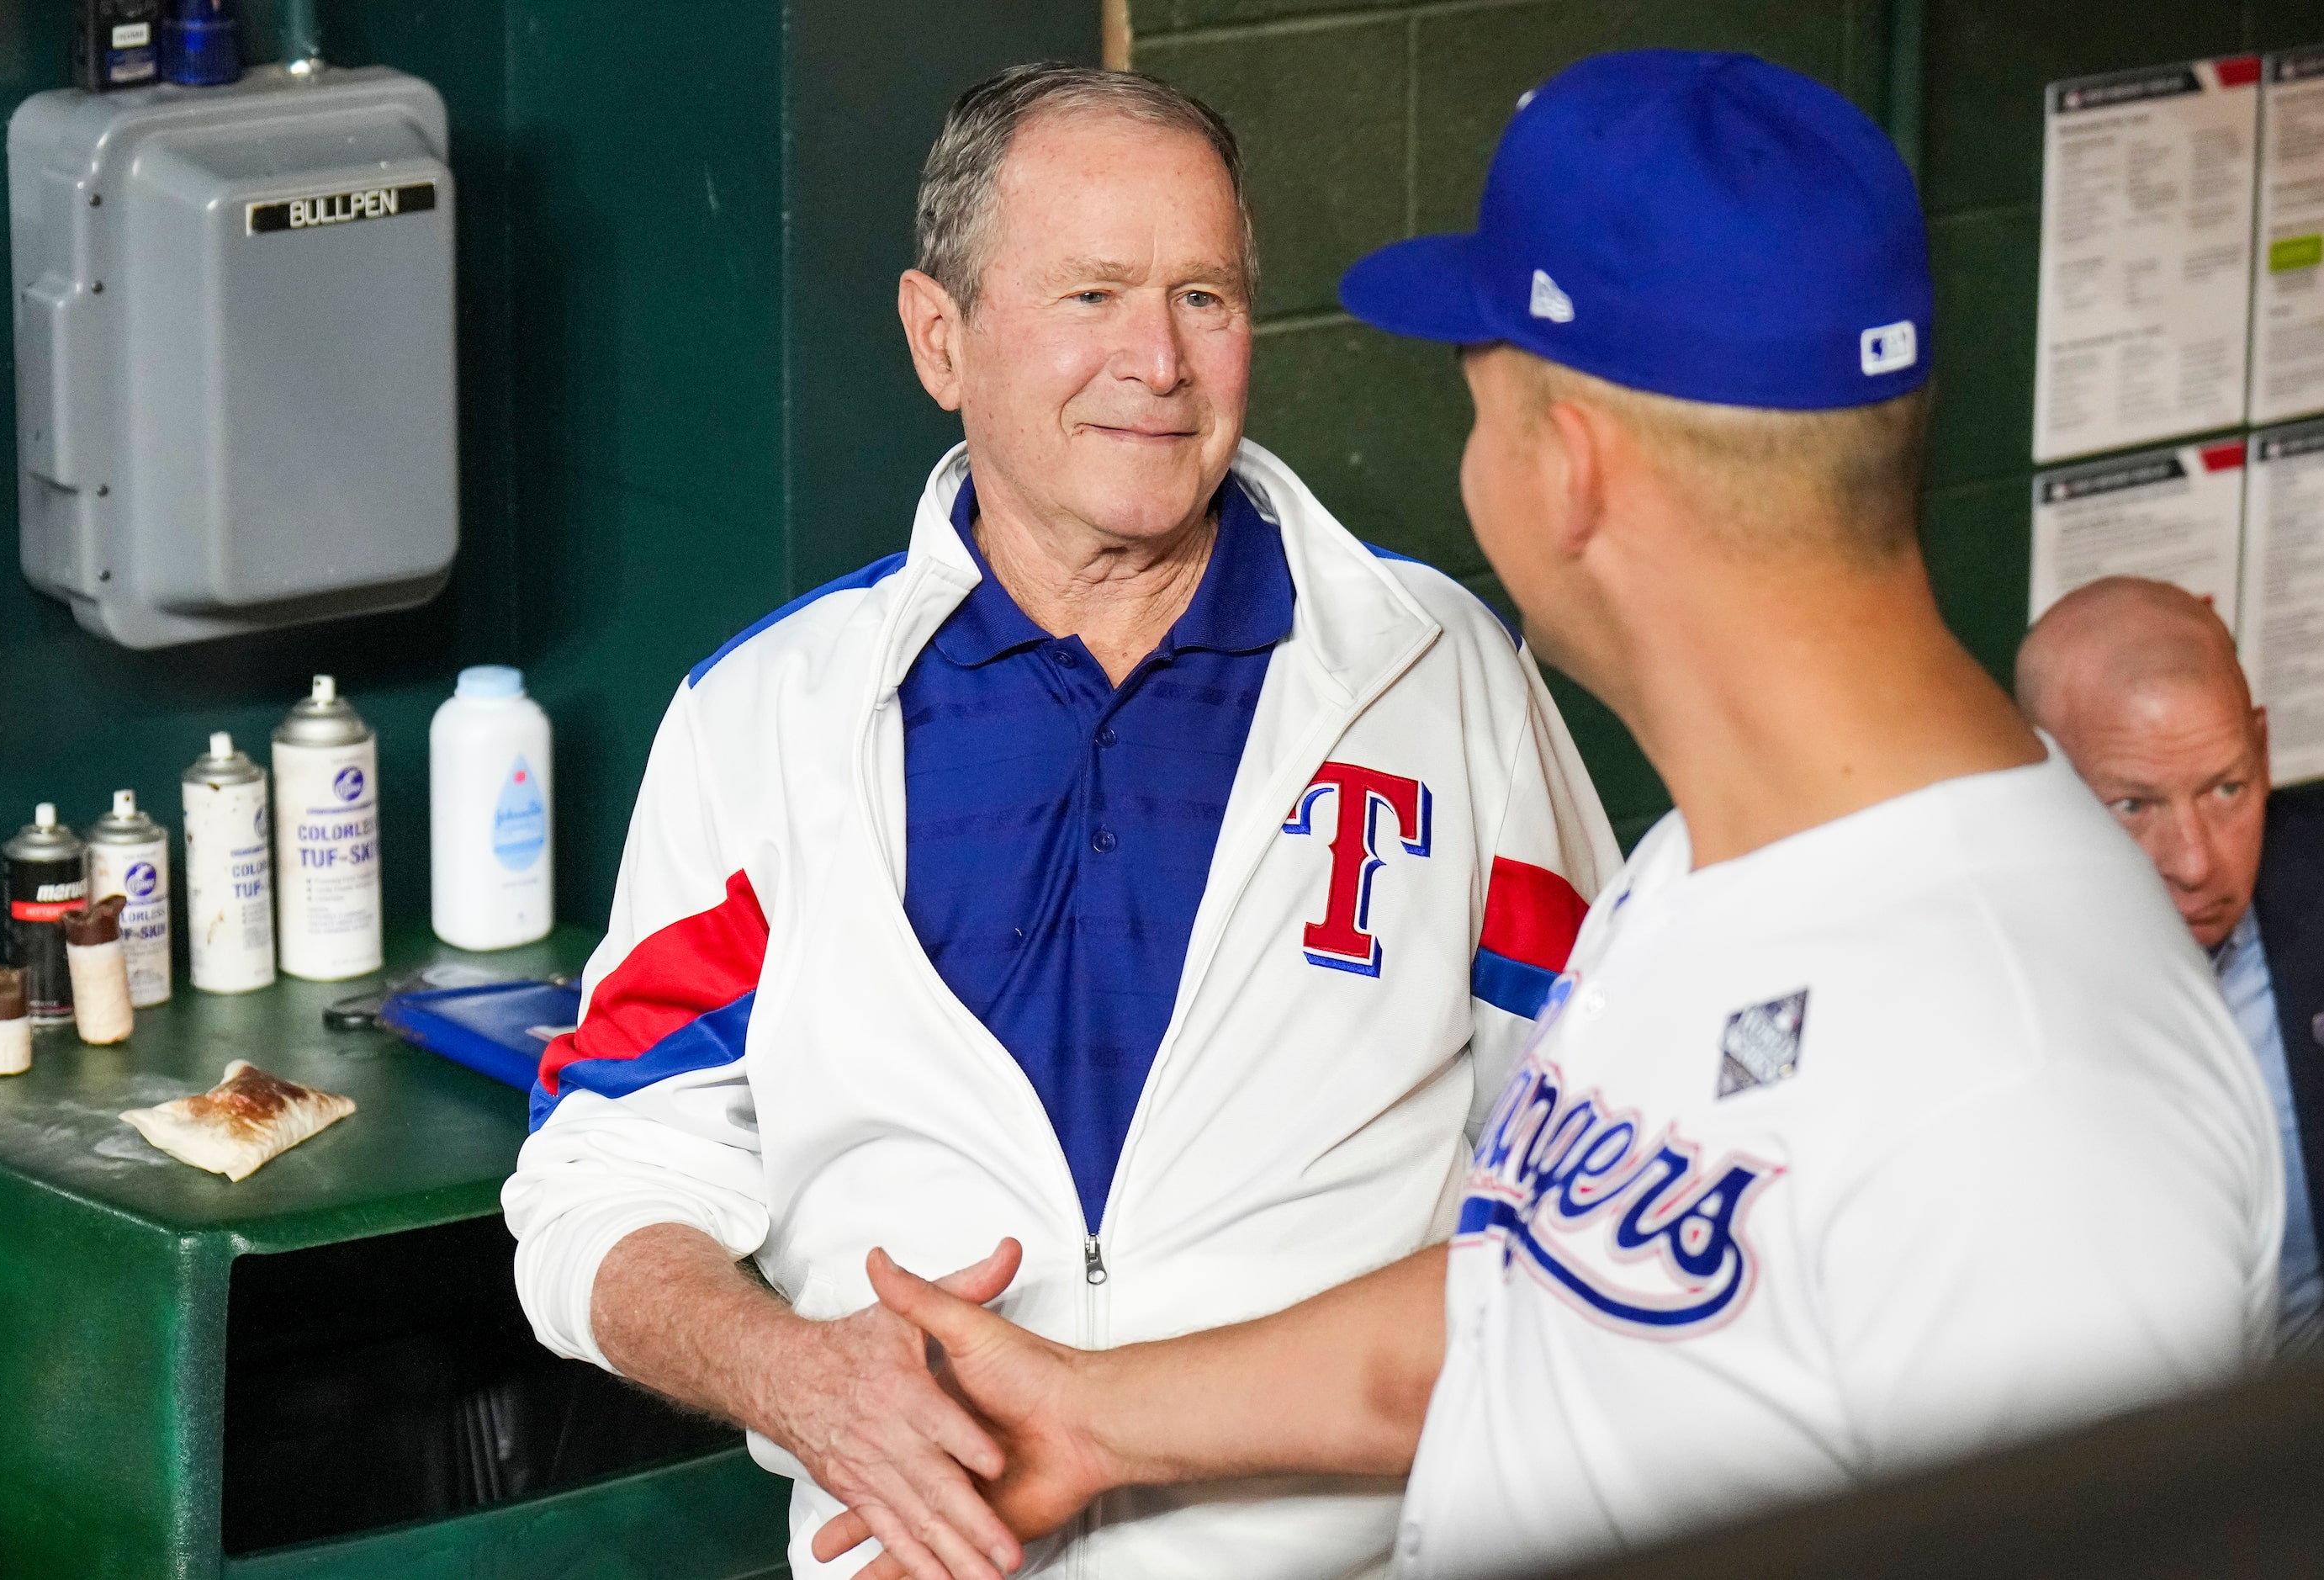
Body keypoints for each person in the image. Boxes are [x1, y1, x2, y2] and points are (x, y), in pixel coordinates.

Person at [813, 50, 2285, 1580]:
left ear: (1567, 469)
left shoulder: (2027, 1078)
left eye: (1477, 403)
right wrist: (1100, 1412)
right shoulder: (1698, 871)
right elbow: (1539, 1299)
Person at [500, 62, 1618, 1580]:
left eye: (1204, 297)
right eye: (1090, 293)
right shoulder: (770, 719)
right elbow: (602, 1174)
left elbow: (1597, 1151)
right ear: (937, 336)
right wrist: (792, 1371)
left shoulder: (1435, 677)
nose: (1156, 359)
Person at [2020, 575, 2324, 1355]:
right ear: (2039, 784)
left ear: (2262, 746)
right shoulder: (1983, 975)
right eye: (2134, 806)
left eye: (2227, 789)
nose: (2194, 862)